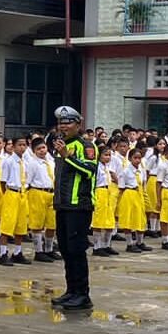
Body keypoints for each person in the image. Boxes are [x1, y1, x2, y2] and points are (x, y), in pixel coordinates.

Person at [52, 107, 97, 310]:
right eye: (61, 123)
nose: (64, 126)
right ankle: (71, 290)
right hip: (62, 205)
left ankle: (82, 294)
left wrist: (67, 156)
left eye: (68, 122)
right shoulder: (61, 145)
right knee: (65, 249)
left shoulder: (86, 146)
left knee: (77, 250)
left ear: (78, 125)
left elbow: (89, 171)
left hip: (79, 205)